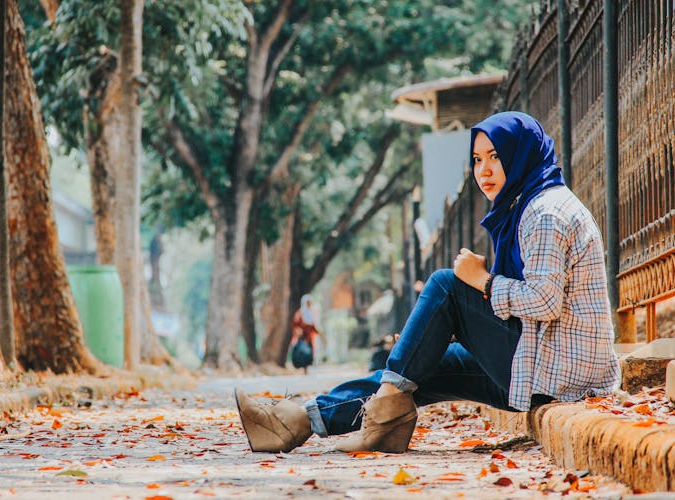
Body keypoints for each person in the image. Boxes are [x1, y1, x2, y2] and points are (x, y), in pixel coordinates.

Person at [234, 111, 621, 454]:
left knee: (445, 286)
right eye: (477, 159)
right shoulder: (529, 204)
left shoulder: (544, 213)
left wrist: (483, 283)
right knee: (417, 366)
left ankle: (380, 410)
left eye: (495, 157)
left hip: (557, 374)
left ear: (521, 155)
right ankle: (301, 422)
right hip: (543, 364)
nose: (483, 170)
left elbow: (545, 301)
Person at [289, 294, 323, 373]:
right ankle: (302, 367)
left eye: (310, 303)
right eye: (307, 302)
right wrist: (298, 331)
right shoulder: (299, 313)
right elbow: (295, 325)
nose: (308, 304)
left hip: (309, 338)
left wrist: (319, 333)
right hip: (302, 337)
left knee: (308, 353)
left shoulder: (312, 313)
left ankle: (306, 368)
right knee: (301, 353)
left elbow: (313, 326)